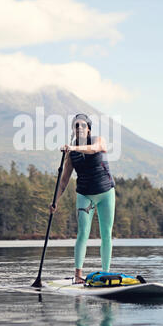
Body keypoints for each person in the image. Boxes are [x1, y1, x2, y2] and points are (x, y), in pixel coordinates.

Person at [50, 113, 116, 283]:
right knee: (82, 234)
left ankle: (105, 273)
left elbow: (94, 149)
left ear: (88, 130)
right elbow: (64, 181)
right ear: (73, 130)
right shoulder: (71, 155)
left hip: (106, 193)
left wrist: (72, 148)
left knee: (106, 233)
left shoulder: (98, 140)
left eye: (82, 125)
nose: (79, 128)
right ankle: (78, 275)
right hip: (85, 195)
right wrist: (55, 201)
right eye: (76, 125)